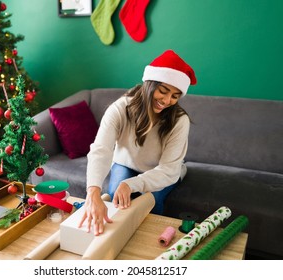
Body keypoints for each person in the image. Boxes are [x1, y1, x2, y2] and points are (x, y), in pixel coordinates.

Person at [78, 49, 197, 235]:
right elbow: (101, 150)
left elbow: (168, 170)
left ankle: (148, 242)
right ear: (149, 84)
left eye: (175, 96)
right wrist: (93, 191)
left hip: (162, 172)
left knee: (151, 202)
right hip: (126, 163)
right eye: (163, 91)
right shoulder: (120, 109)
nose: (167, 100)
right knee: (116, 198)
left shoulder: (180, 121)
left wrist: (131, 184)